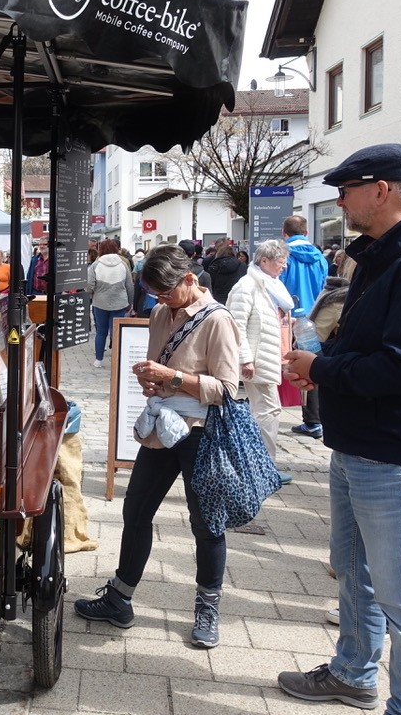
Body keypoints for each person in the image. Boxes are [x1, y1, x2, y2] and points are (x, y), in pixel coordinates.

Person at [278, 144, 401, 715]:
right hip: (361, 442)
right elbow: (371, 343)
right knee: (354, 569)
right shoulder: (388, 256)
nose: (339, 199)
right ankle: (354, 671)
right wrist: (323, 363)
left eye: (347, 188)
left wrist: (325, 370)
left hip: (396, 450)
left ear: (381, 189)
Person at [75, 244, 239, 648]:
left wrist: (174, 378)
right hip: (161, 429)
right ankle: (120, 597)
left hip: (200, 432)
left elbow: (229, 391)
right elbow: (159, 370)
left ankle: (208, 607)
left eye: (166, 293)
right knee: (136, 510)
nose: (160, 301)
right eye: (155, 295)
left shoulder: (218, 321)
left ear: (189, 279)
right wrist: (150, 379)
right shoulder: (159, 314)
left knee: (206, 522)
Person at [226, 239, 294, 484]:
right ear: (264, 261)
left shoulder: (269, 285)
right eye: (280, 261)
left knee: (266, 411)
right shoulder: (247, 287)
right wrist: (245, 358)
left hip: (268, 356)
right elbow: (236, 326)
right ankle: (263, 467)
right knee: (268, 411)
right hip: (257, 359)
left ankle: (258, 464)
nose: (284, 266)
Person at [291, 254, 354, 441]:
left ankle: (312, 421)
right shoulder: (318, 257)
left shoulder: (336, 295)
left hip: (305, 318)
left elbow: (318, 335)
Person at [87, 239, 132, 368]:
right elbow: (129, 286)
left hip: (100, 302)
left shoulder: (96, 265)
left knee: (101, 332)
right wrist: (130, 303)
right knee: (116, 332)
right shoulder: (123, 264)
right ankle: (117, 360)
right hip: (120, 302)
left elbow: (89, 285)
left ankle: (98, 360)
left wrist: (92, 295)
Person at [280, 215, 326, 318]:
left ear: (283, 232)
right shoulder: (321, 259)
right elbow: (324, 287)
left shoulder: (281, 257)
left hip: (287, 317)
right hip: (314, 315)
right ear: (306, 232)